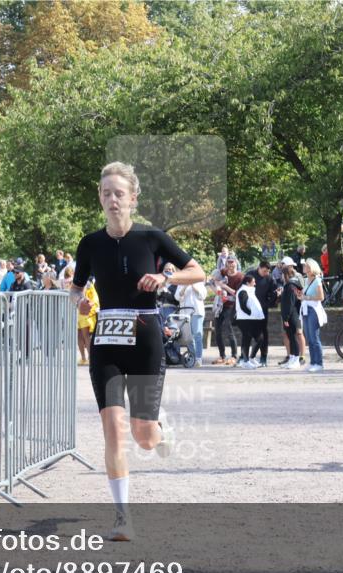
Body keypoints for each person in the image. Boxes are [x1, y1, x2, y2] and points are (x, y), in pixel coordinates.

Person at [71, 161, 204, 542]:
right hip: (107, 344)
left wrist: (165, 277)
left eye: (119, 194)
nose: (112, 200)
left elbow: (197, 272)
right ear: (100, 198)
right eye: (106, 193)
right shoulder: (90, 244)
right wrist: (78, 302)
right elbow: (76, 289)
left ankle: (159, 431)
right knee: (113, 431)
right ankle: (122, 517)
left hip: (145, 340)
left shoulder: (152, 237)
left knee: (143, 436)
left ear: (133, 198)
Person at [211, 257, 243, 365]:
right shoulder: (223, 272)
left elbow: (237, 293)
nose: (230, 265)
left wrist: (224, 287)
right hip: (220, 306)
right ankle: (222, 356)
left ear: (236, 263)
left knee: (228, 330)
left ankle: (234, 356)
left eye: (232, 262)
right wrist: (217, 288)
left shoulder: (240, 276)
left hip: (231, 306)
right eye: (228, 263)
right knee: (218, 331)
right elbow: (213, 279)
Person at [246, 261, 277, 367]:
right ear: (259, 268)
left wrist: (269, 303)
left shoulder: (269, 278)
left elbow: (274, 292)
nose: (266, 273)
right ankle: (246, 357)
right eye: (264, 271)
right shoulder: (250, 275)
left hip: (262, 310)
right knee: (248, 333)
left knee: (264, 334)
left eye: (268, 271)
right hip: (250, 309)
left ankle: (263, 357)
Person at [299, 258, 327, 372]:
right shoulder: (306, 280)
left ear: (311, 268)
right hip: (305, 309)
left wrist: (307, 297)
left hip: (313, 310)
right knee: (309, 338)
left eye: (306, 266)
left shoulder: (317, 280)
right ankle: (313, 362)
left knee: (314, 338)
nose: (304, 268)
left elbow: (321, 297)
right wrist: (301, 296)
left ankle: (319, 363)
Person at [234, 274, 265, 369]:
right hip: (244, 319)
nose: (255, 283)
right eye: (253, 281)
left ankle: (251, 358)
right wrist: (251, 313)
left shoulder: (249, 291)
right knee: (246, 339)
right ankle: (245, 361)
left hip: (252, 319)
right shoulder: (243, 291)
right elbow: (243, 306)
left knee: (259, 338)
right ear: (248, 282)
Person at [175, 277, 206, 365]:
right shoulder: (181, 282)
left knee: (197, 335)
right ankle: (193, 357)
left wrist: (193, 285)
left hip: (197, 312)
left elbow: (203, 295)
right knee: (189, 337)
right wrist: (185, 286)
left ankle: (199, 358)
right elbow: (177, 297)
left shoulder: (199, 282)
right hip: (185, 313)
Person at [278, 266, 304, 369]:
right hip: (290, 315)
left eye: (282, 275)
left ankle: (296, 359)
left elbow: (289, 304)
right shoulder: (290, 286)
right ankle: (292, 358)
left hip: (292, 316)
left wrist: (286, 318)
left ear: (286, 275)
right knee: (290, 337)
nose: (281, 277)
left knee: (293, 338)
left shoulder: (291, 286)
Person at [76, 279, 99, 366]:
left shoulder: (89, 285)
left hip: (85, 313)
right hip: (78, 313)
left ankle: (90, 358)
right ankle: (83, 358)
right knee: (79, 336)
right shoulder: (76, 284)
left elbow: (94, 300)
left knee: (85, 336)